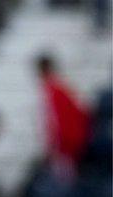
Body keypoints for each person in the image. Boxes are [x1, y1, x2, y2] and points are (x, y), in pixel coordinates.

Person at [36, 54, 91, 183]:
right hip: (66, 142)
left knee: (65, 182)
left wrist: (56, 146)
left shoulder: (54, 90)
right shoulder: (59, 88)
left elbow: (57, 120)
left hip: (64, 144)